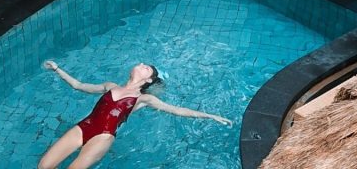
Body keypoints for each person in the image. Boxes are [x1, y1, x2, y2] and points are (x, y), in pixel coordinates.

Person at [37, 60, 232, 169]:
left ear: (148, 79)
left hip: (103, 136)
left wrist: (210, 116)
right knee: (44, 166)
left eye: (146, 66)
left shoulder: (142, 99)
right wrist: (57, 69)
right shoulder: (110, 86)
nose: (140, 63)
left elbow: (177, 110)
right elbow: (78, 85)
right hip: (84, 126)